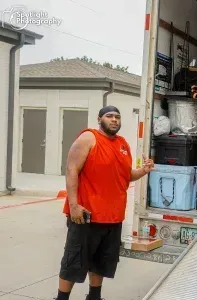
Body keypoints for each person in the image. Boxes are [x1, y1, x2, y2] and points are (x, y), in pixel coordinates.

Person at [54, 105, 155, 300]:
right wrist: (74, 205)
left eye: (117, 117)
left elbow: (126, 176)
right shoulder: (88, 138)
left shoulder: (123, 144)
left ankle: (94, 297)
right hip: (86, 215)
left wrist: (143, 170)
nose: (114, 120)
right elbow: (71, 170)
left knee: (101, 262)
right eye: (109, 116)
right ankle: (61, 298)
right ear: (100, 119)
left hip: (113, 217)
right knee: (74, 261)